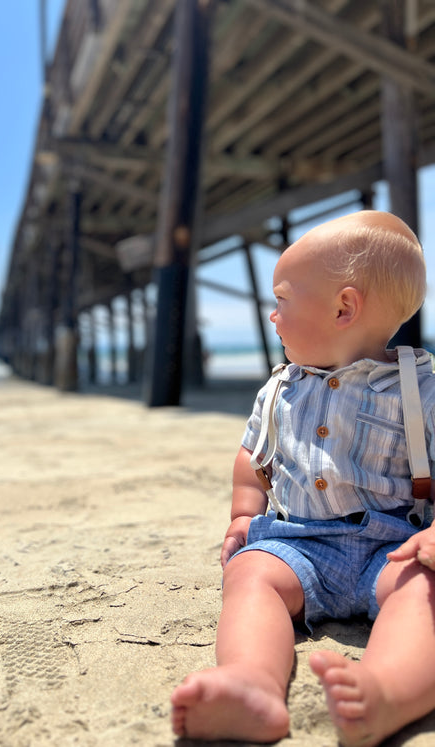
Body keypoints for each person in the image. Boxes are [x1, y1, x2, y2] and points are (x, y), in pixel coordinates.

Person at [170, 210, 435, 746]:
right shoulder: (279, 389)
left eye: (282, 301)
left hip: (395, 546)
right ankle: (252, 682)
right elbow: (253, 459)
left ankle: (389, 691)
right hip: (300, 543)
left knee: (425, 589)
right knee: (250, 576)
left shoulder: (420, 389)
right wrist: (245, 515)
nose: (272, 315)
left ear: (344, 307)